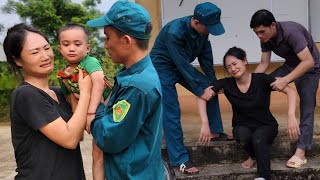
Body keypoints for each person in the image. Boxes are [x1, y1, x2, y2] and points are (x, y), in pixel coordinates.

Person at [150, 2, 232, 174]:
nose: (210, 31)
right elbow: (182, 65)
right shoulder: (175, 32)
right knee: (171, 110)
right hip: (163, 68)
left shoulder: (203, 31)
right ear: (196, 22)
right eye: (209, 28)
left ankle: (215, 131)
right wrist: (199, 89)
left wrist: (213, 84)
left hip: (182, 66)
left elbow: (206, 58)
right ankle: (179, 159)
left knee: (210, 87)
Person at [86, 0, 164, 179]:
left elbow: (108, 137)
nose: (105, 45)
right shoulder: (136, 73)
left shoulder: (136, 86)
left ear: (127, 41)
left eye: (107, 37)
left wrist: (94, 108)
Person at [3, 23, 92, 179]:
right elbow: (70, 139)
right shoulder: (26, 94)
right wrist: (85, 93)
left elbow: (78, 135)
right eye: (35, 52)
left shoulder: (58, 92)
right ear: (17, 60)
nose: (45, 56)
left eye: (46, 48)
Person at [197, 47, 300, 180]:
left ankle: (263, 177)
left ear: (245, 61)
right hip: (242, 126)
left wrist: (291, 116)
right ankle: (253, 156)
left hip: (266, 125)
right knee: (241, 134)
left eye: (235, 64)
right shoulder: (226, 83)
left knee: (258, 138)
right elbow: (201, 96)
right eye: (228, 67)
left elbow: (290, 91)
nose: (233, 69)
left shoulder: (262, 80)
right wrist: (205, 123)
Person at [250, 9, 320, 168]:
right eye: (256, 33)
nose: (259, 36)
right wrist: (251, 82)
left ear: (273, 25)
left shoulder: (291, 33)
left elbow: (308, 61)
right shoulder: (265, 37)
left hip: (310, 69)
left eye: (262, 31)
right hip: (291, 65)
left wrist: (286, 80)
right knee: (261, 86)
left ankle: (301, 151)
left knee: (307, 107)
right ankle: (259, 126)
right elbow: (264, 63)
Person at [57, 23, 113, 180]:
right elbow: (72, 100)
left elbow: (99, 84)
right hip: (90, 110)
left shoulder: (89, 62)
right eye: (66, 44)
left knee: (100, 152)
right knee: (96, 153)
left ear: (87, 48)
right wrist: (78, 126)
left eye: (77, 44)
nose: (71, 48)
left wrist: (90, 112)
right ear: (60, 49)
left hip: (103, 108)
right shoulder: (64, 75)